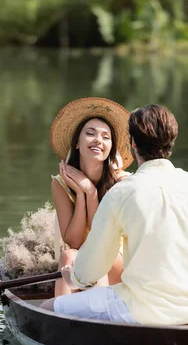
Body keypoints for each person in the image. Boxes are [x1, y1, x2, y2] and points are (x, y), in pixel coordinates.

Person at [42, 104, 188, 326]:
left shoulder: (121, 192)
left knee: (48, 308)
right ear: (172, 142)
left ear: (133, 144)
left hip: (137, 311)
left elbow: (91, 271)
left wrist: (72, 277)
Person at [50, 97, 133, 296]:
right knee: (68, 256)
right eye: (90, 133)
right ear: (77, 143)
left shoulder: (122, 183)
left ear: (111, 148)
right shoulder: (61, 184)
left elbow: (102, 239)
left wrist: (92, 192)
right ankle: (62, 320)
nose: (98, 140)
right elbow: (75, 242)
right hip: (84, 258)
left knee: (83, 258)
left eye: (106, 137)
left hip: (119, 260)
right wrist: (81, 193)